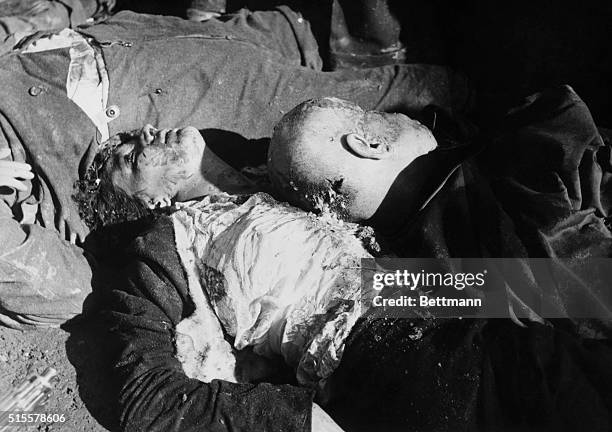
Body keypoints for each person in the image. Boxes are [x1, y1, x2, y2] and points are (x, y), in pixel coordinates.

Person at [91, 85, 611, 431]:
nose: (144, 133)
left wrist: (571, 296)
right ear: (149, 202)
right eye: (132, 156)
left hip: (417, 292)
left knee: (586, 345)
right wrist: (300, 421)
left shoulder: (264, 177)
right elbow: (148, 398)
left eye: (133, 133)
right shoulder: (163, 241)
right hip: (389, 361)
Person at [0, 6, 466, 328]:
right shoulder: (188, 248)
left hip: (436, 287)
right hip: (380, 319)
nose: (143, 133)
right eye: (135, 154)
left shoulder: (275, 170)